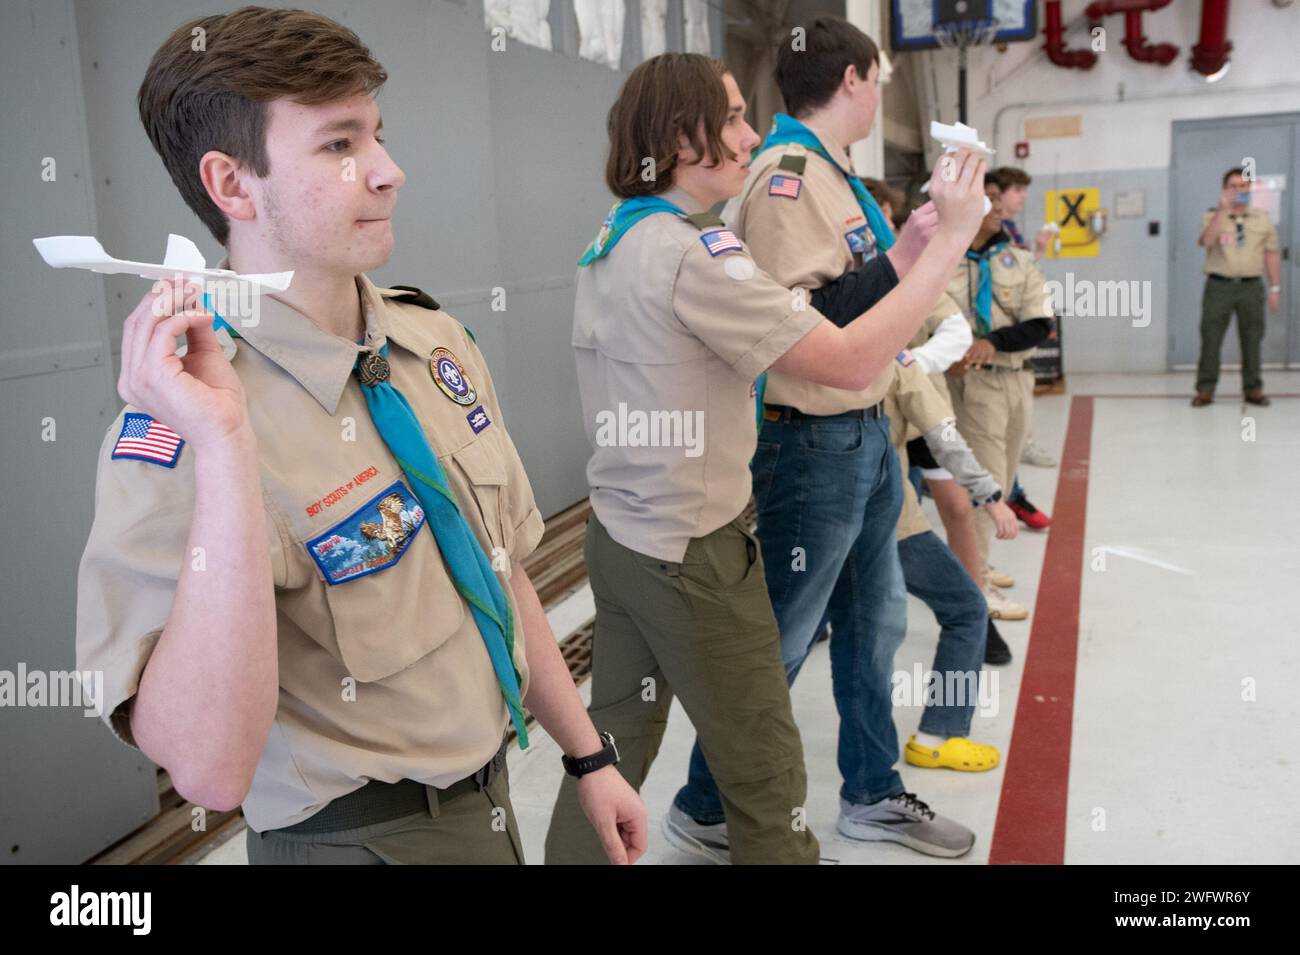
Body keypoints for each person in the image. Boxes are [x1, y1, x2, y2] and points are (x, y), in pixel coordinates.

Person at [74, 6, 645, 865]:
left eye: (376, 135)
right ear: (234, 185)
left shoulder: (428, 342)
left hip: (490, 797)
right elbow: (206, 769)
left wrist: (588, 754)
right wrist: (227, 447)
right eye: (340, 146)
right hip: (357, 842)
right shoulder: (180, 429)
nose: (389, 171)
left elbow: (499, 573)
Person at [546, 52, 985, 865]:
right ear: (684, 139)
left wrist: (904, 253)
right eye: (737, 117)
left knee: (608, 746)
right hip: (694, 549)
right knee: (766, 768)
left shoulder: (618, 236)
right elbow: (854, 360)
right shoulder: (696, 255)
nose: (752, 134)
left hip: (623, 535)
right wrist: (950, 241)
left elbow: (795, 313)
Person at [886, 349, 1017, 766]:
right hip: (888, 520)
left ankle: (721, 774)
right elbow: (943, 437)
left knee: (790, 643)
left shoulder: (792, 342)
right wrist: (991, 495)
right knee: (966, 607)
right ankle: (938, 735)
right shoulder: (893, 359)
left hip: (804, 519)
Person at [943, 177, 1053, 622]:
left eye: (998, 200)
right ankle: (977, 588)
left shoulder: (1020, 260)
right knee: (984, 483)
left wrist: (994, 342)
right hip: (972, 383)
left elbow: (1040, 322)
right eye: (986, 199)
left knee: (1004, 479)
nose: (998, 207)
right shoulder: (940, 258)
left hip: (1016, 378)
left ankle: (979, 563)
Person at [990, 167, 1055, 534]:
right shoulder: (986, 234)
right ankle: (1008, 494)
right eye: (1015, 191)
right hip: (988, 350)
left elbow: (1019, 280)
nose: (1019, 198)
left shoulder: (1010, 234)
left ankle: (1011, 485)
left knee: (1009, 431)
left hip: (1013, 348)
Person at [1193, 167, 1282, 407]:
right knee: (1211, 338)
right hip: (1219, 286)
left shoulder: (1262, 219)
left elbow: (1271, 253)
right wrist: (1223, 210)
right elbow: (1207, 241)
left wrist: (1275, 288)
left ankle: (1253, 389)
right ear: (1225, 190)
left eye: (1243, 186)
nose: (1239, 190)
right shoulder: (1213, 216)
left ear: (1249, 189)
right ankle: (1205, 390)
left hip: (1251, 287)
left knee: (1252, 339)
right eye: (1234, 186)